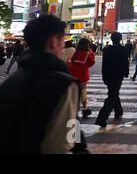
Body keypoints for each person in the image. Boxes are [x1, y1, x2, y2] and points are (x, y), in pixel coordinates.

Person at [0, 14, 82, 153]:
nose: (63, 45)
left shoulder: (12, 80)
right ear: (53, 42)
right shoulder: (64, 83)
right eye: (62, 40)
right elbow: (64, 142)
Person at [95, 32, 129, 128]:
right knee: (112, 96)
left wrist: (104, 76)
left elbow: (104, 64)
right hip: (118, 75)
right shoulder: (123, 49)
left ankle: (119, 111)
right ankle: (101, 118)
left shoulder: (107, 49)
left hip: (108, 75)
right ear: (120, 39)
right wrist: (126, 73)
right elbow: (125, 62)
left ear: (111, 39)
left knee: (113, 93)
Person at [69, 38, 96, 118]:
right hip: (82, 74)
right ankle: (85, 109)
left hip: (73, 74)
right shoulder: (87, 54)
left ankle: (73, 108)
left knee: (75, 92)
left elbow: (71, 62)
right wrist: (91, 53)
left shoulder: (75, 53)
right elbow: (92, 63)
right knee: (83, 91)